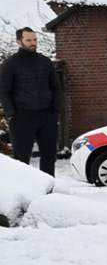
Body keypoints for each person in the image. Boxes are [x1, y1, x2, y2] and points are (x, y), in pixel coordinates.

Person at [2, 27, 62, 175]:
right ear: (18, 42)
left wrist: (55, 110)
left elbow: (56, 87)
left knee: (49, 156)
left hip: (47, 116)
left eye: (35, 39)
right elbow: (4, 91)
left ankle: (49, 191)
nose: (33, 43)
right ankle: (25, 193)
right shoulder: (10, 64)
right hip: (22, 117)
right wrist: (11, 115)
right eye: (28, 40)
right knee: (21, 160)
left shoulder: (45, 62)